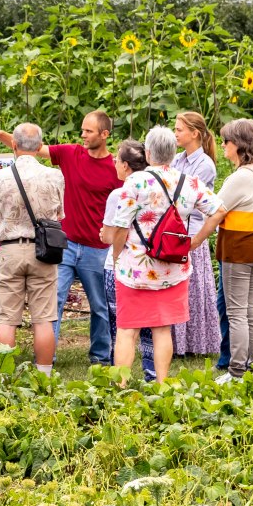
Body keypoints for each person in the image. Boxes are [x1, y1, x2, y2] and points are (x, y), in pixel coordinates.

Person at [0, 112, 122, 364]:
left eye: (88, 131)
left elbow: (121, 207)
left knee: (100, 307)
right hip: (62, 245)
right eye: (82, 130)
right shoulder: (70, 153)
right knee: (53, 305)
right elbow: (31, 146)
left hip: (97, 248)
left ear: (105, 134)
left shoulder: (115, 169)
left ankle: (100, 357)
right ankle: (47, 359)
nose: (82, 135)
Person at [110, 127, 226, 382]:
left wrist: (117, 255)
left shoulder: (135, 182)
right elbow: (218, 211)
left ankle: (119, 387)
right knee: (163, 330)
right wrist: (194, 241)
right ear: (173, 153)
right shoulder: (189, 182)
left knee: (127, 330)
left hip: (135, 269)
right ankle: (162, 385)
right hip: (173, 268)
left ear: (148, 152)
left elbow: (120, 226)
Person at [0, 123, 65, 375]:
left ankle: (4, 376)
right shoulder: (54, 176)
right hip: (43, 250)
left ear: (14, 144)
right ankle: (44, 374)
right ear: (39, 145)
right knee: (43, 318)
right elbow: (59, 215)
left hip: (10, 250)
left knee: (7, 319)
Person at [214, 119, 253, 383]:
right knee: (251, 309)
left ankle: (237, 371)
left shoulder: (240, 177)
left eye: (225, 141)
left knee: (236, 312)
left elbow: (215, 211)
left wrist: (194, 240)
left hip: (238, 248)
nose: (223, 145)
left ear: (237, 144)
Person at [99, 139, 155, 381]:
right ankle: (152, 373)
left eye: (116, 160)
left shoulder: (118, 194)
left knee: (119, 325)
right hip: (151, 265)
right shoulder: (157, 190)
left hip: (120, 265)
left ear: (125, 166)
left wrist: (105, 235)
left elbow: (109, 235)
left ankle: (119, 374)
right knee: (151, 326)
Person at [171, 112, 221, 357]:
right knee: (176, 289)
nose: (176, 133)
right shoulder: (177, 159)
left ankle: (193, 344)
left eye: (179, 129)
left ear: (195, 133)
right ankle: (176, 343)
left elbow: (184, 199)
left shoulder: (205, 165)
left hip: (191, 235)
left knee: (192, 292)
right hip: (174, 232)